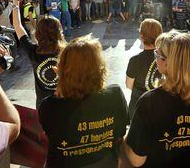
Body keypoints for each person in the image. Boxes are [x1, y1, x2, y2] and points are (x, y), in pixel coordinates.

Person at [124, 31, 190, 168]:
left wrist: (125, 140)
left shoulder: (149, 102)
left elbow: (136, 160)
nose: (155, 58)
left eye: (157, 55)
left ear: (167, 63)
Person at [39, 35, 129, 168]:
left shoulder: (49, 106)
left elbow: (50, 137)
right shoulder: (115, 95)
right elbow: (120, 133)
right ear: (99, 66)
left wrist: (62, 86)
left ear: (62, 70)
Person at [12, 0, 66, 109]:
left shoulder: (33, 51)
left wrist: (15, 1)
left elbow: (18, 26)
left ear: (38, 33)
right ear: (59, 31)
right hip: (65, 101)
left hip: (43, 105)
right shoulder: (67, 50)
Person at [126, 19, 163, 119]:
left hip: (138, 105)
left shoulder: (135, 60)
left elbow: (129, 85)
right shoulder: (165, 58)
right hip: (158, 105)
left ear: (141, 35)